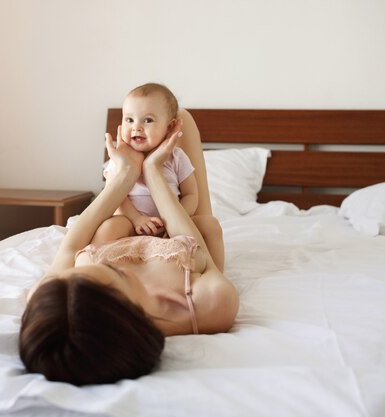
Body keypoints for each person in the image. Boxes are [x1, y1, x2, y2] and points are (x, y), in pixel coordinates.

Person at [19, 108, 239, 386]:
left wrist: (125, 174)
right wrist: (153, 171)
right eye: (115, 272)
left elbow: (72, 242)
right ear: (128, 313)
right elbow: (199, 251)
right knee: (182, 122)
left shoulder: (51, 302)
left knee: (107, 228)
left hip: (128, 226)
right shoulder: (209, 305)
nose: (69, 274)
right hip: (184, 233)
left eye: (73, 273)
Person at [94, 83, 224, 269]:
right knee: (109, 228)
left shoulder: (177, 157)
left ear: (169, 127)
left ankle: (215, 272)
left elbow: (191, 195)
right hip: (132, 224)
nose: (136, 128)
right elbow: (116, 198)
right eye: (129, 120)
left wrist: (176, 219)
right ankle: (102, 270)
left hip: (172, 224)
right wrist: (137, 219)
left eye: (147, 120)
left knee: (210, 225)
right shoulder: (120, 159)